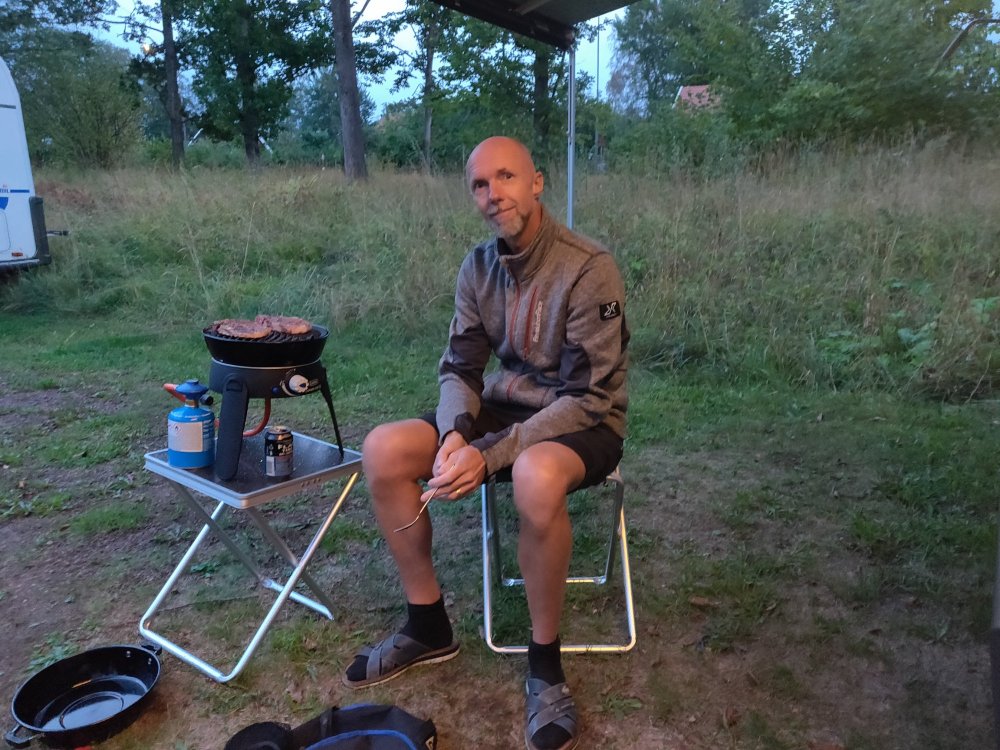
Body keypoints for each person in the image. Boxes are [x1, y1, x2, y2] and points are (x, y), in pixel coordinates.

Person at [345, 135, 628, 750]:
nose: (493, 193)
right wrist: (455, 433)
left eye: (506, 177)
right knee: (384, 450)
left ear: (537, 182)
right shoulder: (478, 268)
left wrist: (491, 452)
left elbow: (588, 397)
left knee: (533, 476)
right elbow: (460, 368)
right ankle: (427, 624)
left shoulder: (588, 267)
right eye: (480, 184)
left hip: (583, 420)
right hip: (504, 409)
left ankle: (544, 662)